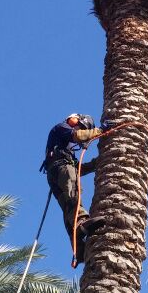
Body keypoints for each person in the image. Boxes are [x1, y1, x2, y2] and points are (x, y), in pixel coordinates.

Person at [42, 113, 105, 263]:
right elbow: (78, 136)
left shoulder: (66, 149)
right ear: (76, 120)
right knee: (73, 194)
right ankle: (81, 222)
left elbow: (78, 169)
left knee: (68, 207)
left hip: (56, 172)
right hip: (61, 168)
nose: (79, 129)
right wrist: (100, 131)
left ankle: (78, 247)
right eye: (81, 126)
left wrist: (96, 164)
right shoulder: (61, 128)